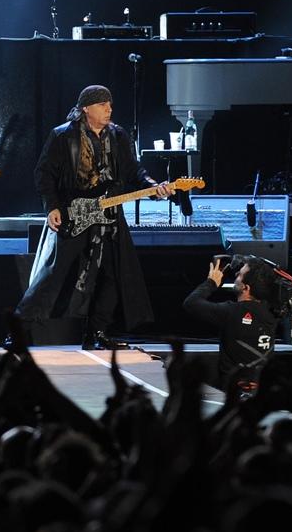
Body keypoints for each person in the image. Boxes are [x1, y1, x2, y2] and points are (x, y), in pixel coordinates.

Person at [16, 85, 174, 348]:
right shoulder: (63, 136)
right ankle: (18, 330)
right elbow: (44, 174)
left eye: (110, 104)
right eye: (102, 104)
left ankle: (96, 334)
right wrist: (52, 206)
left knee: (113, 276)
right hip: (75, 213)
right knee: (52, 276)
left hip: (109, 215)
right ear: (86, 108)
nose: (109, 109)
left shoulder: (118, 135)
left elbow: (134, 171)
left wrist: (153, 186)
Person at [183, 256, 278, 388]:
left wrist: (211, 282)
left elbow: (191, 304)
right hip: (262, 388)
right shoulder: (272, 314)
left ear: (245, 288)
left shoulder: (231, 312)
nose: (236, 274)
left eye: (240, 274)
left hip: (232, 390)